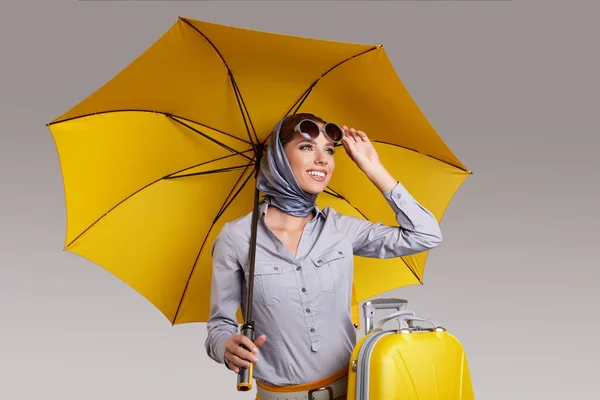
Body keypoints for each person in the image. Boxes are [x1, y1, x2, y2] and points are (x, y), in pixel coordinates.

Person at [204, 113, 443, 400]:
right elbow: (219, 326)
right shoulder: (236, 238)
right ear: (278, 157)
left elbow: (426, 235)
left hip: (350, 393)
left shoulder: (340, 228)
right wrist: (225, 347)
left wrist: (373, 168)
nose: (323, 159)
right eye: (307, 147)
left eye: (329, 150)